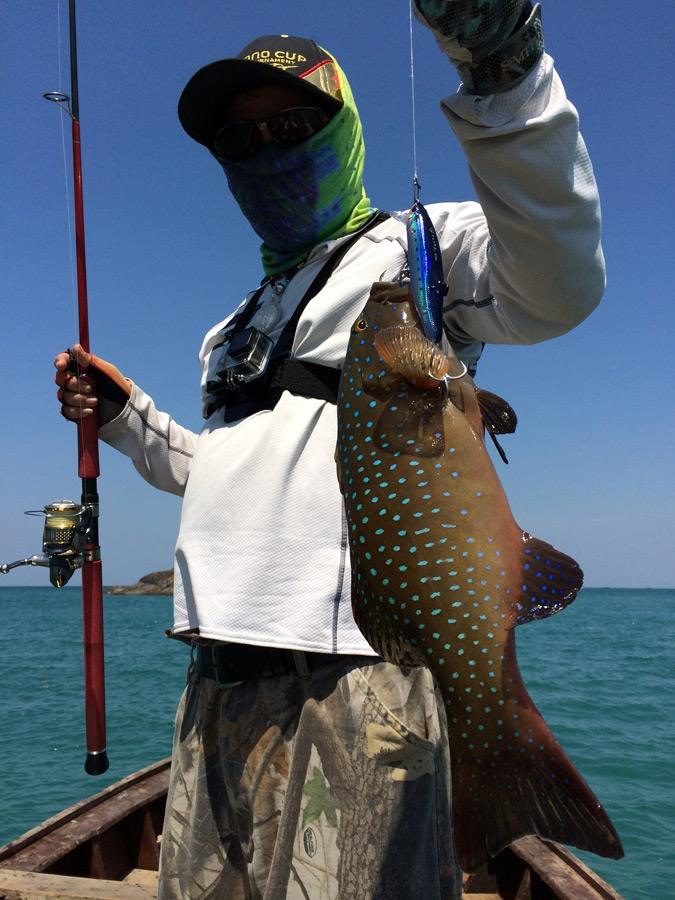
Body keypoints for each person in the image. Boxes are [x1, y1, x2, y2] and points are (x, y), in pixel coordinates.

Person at [54, 4, 604, 898]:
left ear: (344, 133)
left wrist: (504, 73)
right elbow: (221, 475)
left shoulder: (422, 250)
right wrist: (128, 420)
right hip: (219, 671)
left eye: (294, 127)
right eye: (244, 142)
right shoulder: (229, 326)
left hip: (362, 670)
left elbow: (559, 282)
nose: (269, 152)